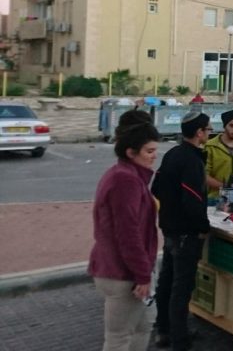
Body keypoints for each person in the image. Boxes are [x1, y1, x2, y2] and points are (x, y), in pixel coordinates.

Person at [89, 111, 161, 351]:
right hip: (123, 274)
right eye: (149, 151)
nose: (155, 156)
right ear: (131, 152)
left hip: (128, 269)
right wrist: (142, 275)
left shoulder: (129, 175)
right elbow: (128, 233)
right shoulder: (125, 180)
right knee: (119, 337)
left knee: (144, 324)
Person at [151, 112, 212, 351]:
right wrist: (203, 227)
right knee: (182, 287)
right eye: (208, 129)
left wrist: (169, 210)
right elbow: (192, 200)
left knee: (167, 281)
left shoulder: (172, 154)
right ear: (199, 133)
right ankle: (180, 340)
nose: (210, 133)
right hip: (186, 233)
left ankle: (163, 330)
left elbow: (156, 188)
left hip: (169, 229)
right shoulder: (192, 161)